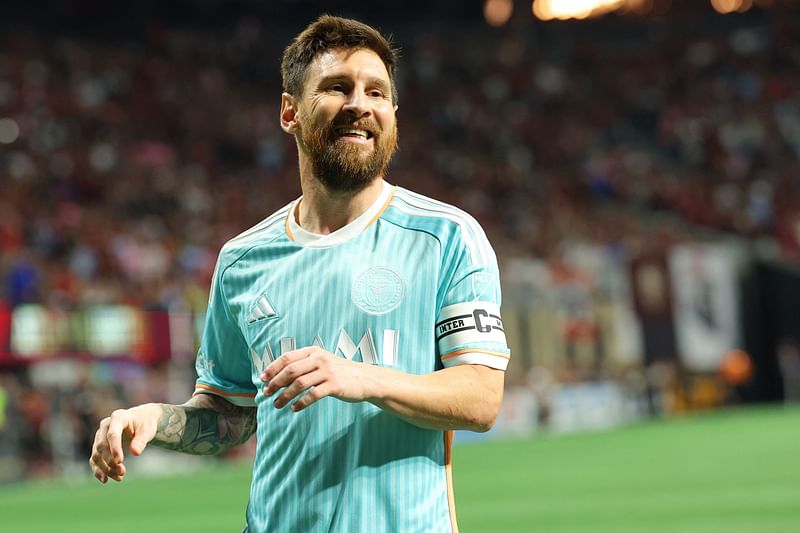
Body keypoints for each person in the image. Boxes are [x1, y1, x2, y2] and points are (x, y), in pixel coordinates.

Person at [89, 15, 510, 532]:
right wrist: (156, 418)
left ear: (393, 114)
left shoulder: (446, 237)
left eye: (376, 92)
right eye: (337, 87)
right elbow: (229, 412)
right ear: (290, 111)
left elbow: (481, 397)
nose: (360, 103)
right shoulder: (242, 261)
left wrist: (361, 377)